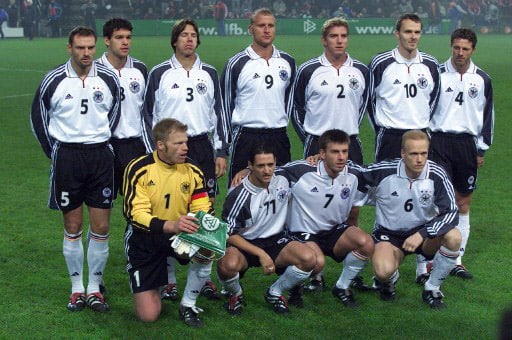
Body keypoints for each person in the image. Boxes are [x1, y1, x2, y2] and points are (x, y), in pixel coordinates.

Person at [30, 26, 121, 312]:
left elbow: (114, 116)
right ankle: (76, 289)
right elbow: (38, 119)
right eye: (80, 48)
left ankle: (95, 288)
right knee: (72, 226)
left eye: (90, 47)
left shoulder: (107, 79)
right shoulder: (54, 80)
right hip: (67, 157)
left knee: (102, 226)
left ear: (95, 47)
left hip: (100, 157)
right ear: (69, 48)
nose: (86, 53)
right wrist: (54, 151)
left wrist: (99, 140)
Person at [141, 18, 229, 302]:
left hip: (201, 146)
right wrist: (153, 152)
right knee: (167, 210)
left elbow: (220, 114)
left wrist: (221, 150)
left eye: (193, 35)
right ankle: (168, 280)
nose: (189, 40)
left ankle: (201, 277)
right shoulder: (160, 73)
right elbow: (147, 115)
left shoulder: (210, 73)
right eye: (184, 35)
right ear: (174, 40)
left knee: (205, 213)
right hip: (169, 149)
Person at [123, 118, 215, 327]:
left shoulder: (193, 170)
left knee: (208, 248)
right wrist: (170, 225)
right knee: (149, 315)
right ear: (161, 145)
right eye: (178, 144)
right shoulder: (139, 169)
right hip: (144, 240)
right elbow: (135, 214)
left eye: (186, 142)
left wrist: (210, 229)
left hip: (179, 234)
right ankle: (159, 281)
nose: (185, 148)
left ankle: (188, 304)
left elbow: (202, 209)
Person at [361, 130, 461, 309]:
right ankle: (389, 280)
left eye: (424, 153)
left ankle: (432, 288)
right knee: (383, 272)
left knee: (454, 237)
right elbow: (352, 172)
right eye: (414, 154)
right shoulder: (385, 170)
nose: (420, 159)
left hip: (424, 235)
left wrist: (422, 234)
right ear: (402, 153)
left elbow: (452, 212)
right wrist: (316, 162)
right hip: (389, 235)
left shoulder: (436, 174)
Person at [217, 143, 316, 315]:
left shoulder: (284, 176)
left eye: (270, 165)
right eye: (261, 166)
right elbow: (228, 234)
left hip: (276, 240)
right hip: (245, 243)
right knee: (227, 265)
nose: (267, 171)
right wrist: (261, 254)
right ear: (250, 166)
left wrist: (318, 156)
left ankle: (274, 293)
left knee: (309, 259)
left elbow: (311, 163)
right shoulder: (238, 195)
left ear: (276, 163)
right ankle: (236, 294)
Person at [281, 129, 374, 307]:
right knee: (317, 263)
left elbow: (382, 172)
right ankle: (292, 288)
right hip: (303, 233)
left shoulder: (355, 173)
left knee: (366, 243)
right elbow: (270, 172)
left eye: (344, 151)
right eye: (334, 152)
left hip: (333, 231)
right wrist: (247, 170)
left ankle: (342, 287)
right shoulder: (301, 170)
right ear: (322, 153)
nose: (341, 157)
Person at [429, 28, 494, 280]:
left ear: (473, 50)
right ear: (450, 46)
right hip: (439, 142)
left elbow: (488, 116)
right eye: (456, 47)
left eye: (465, 48)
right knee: (438, 204)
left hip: (467, 145)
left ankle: (456, 260)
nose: (460, 53)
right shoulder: (437, 74)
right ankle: (430, 260)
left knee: (463, 204)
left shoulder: (483, 79)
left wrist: (481, 148)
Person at [221, 8, 296, 184]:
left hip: (278, 135)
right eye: (261, 25)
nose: (267, 30)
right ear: (251, 29)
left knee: (282, 191)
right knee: (240, 190)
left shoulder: (287, 62)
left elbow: (289, 101)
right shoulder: (237, 63)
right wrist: (223, 147)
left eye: (271, 25)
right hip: (247, 136)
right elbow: (224, 107)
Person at [291, 17, 369, 165]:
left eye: (344, 36)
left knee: (353, 187)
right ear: (324, 40)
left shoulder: (361, 70)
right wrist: (309, 138)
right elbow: (296, 107)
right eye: (334, 36)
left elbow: (362, 107)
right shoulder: (308, 70)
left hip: (350, 142)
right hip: (317, 142)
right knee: (315, 187)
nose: (339, 41)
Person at [368, 13, 440, 162]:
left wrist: (422, 122)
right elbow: (368, 100)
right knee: (386, 182)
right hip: (390, 136)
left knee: (420, 183)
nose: (413, 37)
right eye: (408, 32)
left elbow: (434, 99)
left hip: (420, 135)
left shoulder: (431, 64)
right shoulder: (381, 63)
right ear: (397, 34)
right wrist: (380, 128)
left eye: (417, 32)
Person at [97, 18, 148, 199]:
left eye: (128, 37)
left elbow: (148, 110)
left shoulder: (140, 69)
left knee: (139, 204)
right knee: (102, 206)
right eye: (119, 37)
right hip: (105, 146)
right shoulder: (95, 70)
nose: (125, 42)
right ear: (107, 40)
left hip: (135, 146)